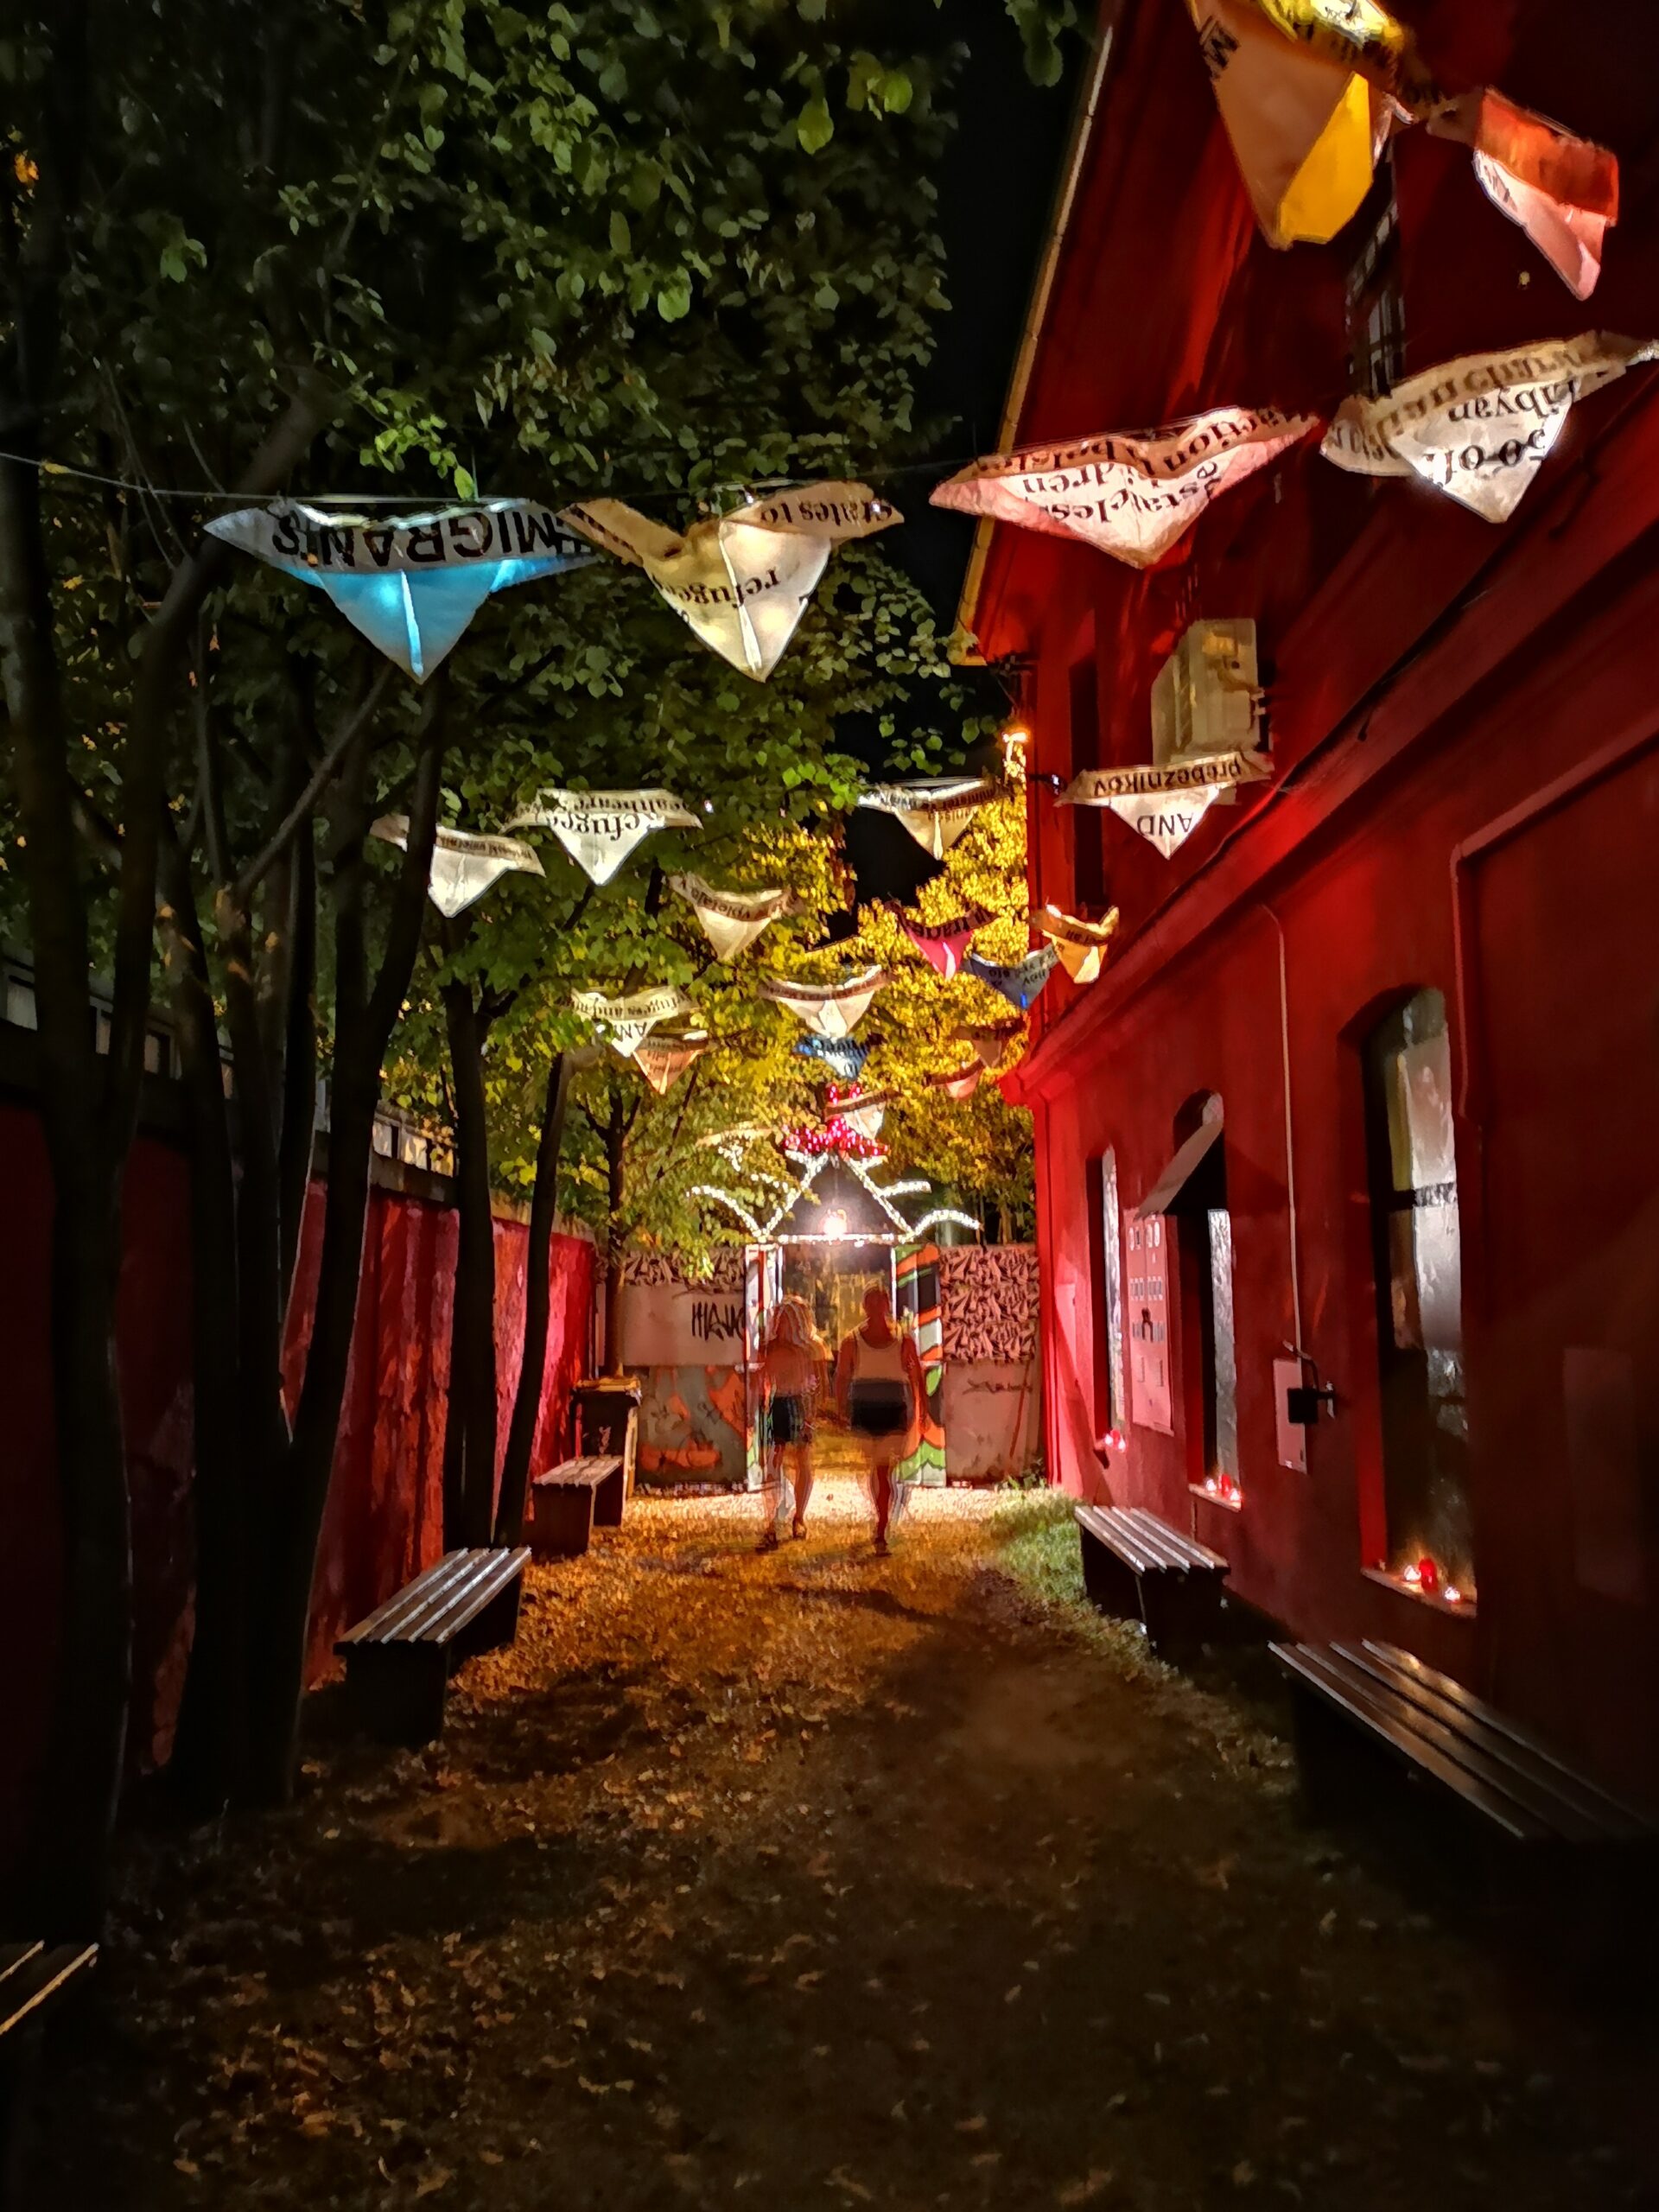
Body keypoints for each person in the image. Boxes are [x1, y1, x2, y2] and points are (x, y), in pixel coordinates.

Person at [835, 1284, 924, 1557]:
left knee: (882, 1470)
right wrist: (841, 1407)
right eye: (871, 1303)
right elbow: (841, 1376)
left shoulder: (903, 1339)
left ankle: (882, 1524)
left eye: (879, 1302)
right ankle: (882, 1515)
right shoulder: (852, 1341)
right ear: (865, 1307)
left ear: (886, 1305)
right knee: (877, 1469)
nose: (875, 1308)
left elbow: (916, 1374)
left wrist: (921, 1405)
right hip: (866, 1408)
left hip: (892, 1407)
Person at [756, 1296, 823, 1551]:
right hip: (777, 1403)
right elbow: (762, 1379)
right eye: (780, 1320)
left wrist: (811, 1413)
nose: (782, 1325)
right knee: (773, 1461)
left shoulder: (809, 1348)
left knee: (802, 1460)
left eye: (787, 1320)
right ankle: (771, 1521)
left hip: (798, 1401)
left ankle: (799, 1516)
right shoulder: (769, 1348)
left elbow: (819, 1384)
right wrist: (759, 1402)